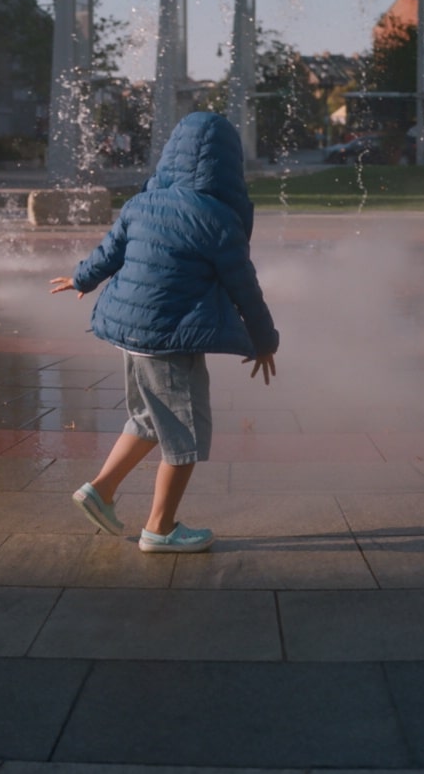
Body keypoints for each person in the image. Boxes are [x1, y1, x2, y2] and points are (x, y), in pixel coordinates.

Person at [50, 111, 279, 554]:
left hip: (128, 330)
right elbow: (244, 288)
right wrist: (265, 340)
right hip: (169, 338)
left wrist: (81, 279)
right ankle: (160, 527)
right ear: (229, 164)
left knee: (147, 419)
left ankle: (100, 490)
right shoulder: (218, 218)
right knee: (185, 432)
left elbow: (108, 253)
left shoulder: (142, 203)